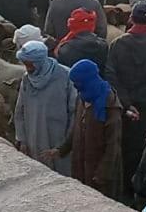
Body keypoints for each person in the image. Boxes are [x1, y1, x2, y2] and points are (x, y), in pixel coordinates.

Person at [107, 2, 146, 194]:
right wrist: (140, 99)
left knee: (127, 150)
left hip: (126, 110)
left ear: (131, 18)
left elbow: (110, 75)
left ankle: (126, 191)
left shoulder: (118, 44)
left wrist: (128, 103)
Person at [44, 59, 123, 200]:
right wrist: (61, 149)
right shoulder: (82, 98)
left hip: (99, 174)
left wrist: (102, 174)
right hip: (81, 166)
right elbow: (77, 128)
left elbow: (113, 145)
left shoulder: (110, 106)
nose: (76, 87)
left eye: (79, 83)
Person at [14, 40, 78, 176]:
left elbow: (74, 112)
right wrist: (22, 140)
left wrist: (65, 146)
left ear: (39, 62)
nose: (27, 68)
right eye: (25, 64)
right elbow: (20, 111)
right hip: (33, 139)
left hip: (58, 140)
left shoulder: (66, 76)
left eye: (30, 65)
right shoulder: (27, 79)